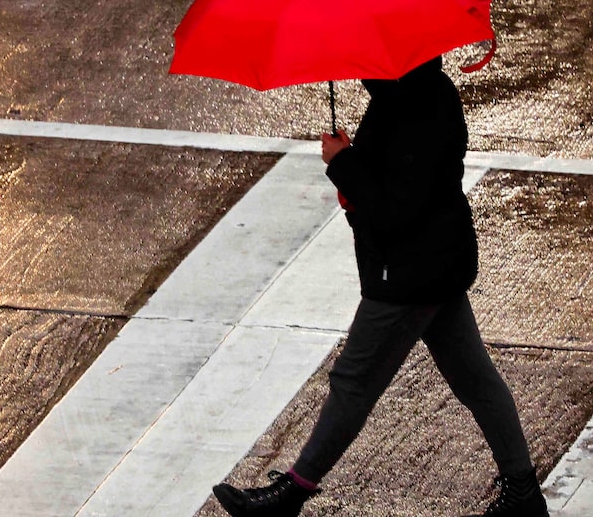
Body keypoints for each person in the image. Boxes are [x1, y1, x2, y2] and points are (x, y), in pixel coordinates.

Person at [211, 57, 548, 517]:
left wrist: (344, 163)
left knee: (354, 380)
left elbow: (395, 210)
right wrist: (353, 166)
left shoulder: (412, 107)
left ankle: (291, 493)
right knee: (476, 380)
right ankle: (524, 497)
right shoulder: (414, 94)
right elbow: (396, 188)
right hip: (433, 265)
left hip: (409, 275)